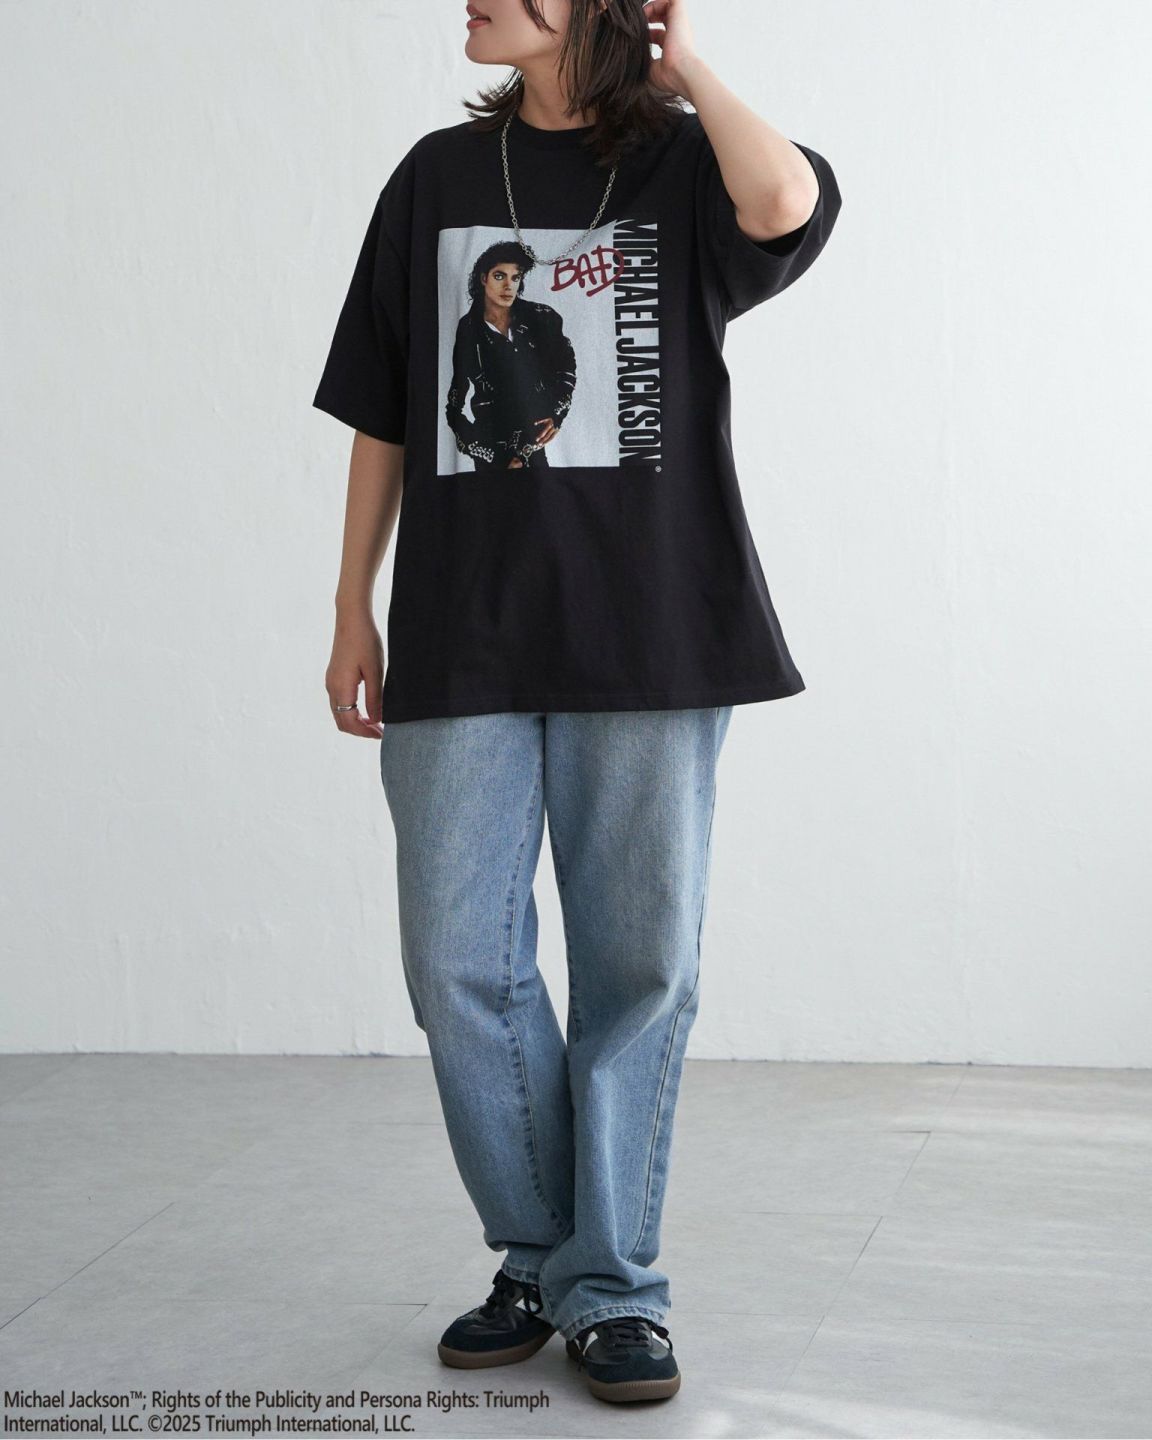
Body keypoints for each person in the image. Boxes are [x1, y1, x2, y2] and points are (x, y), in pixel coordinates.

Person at [312, 0, 841, 1407]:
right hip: (461, 630)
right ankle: (544, 1257)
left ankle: (610, 1286)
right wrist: (352, 602)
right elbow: (384, 406)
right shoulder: (435, 176)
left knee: (635, 968)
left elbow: (787, 204)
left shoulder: (684, 166)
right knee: (456, 963)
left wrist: (686, 63)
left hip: (650, 632)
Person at [445, 242, 578, 469]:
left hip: (534, 445)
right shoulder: (468, 329)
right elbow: (454, 405)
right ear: (483, 278)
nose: (508, 286)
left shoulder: (542, 317)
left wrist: (556, 413)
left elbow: (566, 367)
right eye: (499, 276)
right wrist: (487, 452)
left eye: (515, 278)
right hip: (491, 448)